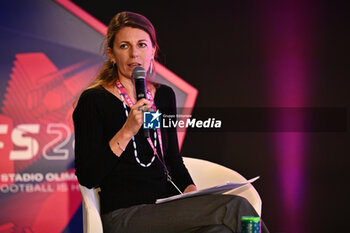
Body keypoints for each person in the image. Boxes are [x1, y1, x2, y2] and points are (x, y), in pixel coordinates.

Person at [73, 11, 269, 233]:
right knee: (236, 206)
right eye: (125, 46)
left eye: (142, 45)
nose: (134, 54)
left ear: (153, 51)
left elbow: (173, 159)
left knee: (220, 231)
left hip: (168, 208)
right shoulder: (93, 100)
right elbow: (88, 176)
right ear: (111, 53)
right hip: (125, 215)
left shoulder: (164, 96)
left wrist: (192, 192)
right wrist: (127, 131)